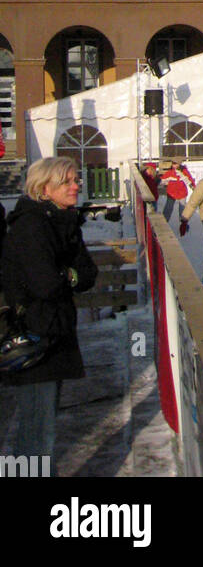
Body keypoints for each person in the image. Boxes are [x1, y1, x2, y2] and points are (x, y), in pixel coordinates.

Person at [0, 157, 98, 475]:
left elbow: (88, 274)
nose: (76, 185)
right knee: (36, 431)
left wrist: (67, 275)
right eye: (68, 181)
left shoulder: (64, 221)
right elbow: (45, 283)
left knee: (42, 427)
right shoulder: (31, 225)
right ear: (45, 189)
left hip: (53, 332)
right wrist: (68, 276)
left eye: (76, 179)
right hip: (32, 336)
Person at [158, 159, 195, 224]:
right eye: (173, 164)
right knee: (168, 208)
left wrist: (194, 187)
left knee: (182, 210)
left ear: (179, 164)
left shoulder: (184, 172)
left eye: (176, 164)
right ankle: (164, 223)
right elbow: (162, 179)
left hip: (182, 193)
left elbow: (190, 180)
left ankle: (183, 224)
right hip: (171, 193)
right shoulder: (170, 172)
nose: (174, 165)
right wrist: (161, 181)